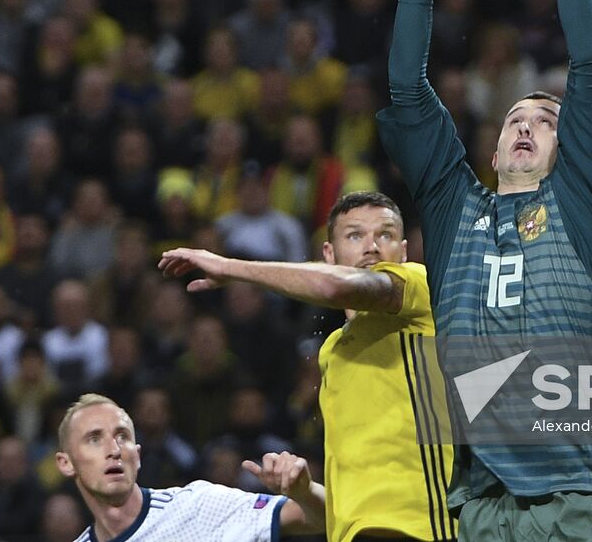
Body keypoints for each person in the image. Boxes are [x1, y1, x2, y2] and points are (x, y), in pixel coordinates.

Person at [378, 0, 592, 540]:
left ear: (571, 147)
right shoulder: (452, 203)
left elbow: (591, 63)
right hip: (483, 495)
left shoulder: (580, 203)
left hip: (577, 490)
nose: (528, 124)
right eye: (516, 119)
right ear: (491, 149)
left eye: (547, 120)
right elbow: (408, 89)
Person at [159, 190, 456, 542]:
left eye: (385, 235)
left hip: (427, 532)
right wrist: (302, 490)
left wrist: (231, 267)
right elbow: (340, 510)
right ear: (329, 254)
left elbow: (334, 288)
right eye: (355, 235)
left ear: (403, 253)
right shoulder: (332, 351)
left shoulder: (420, 287)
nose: (372, 247)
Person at [53, 393, 325, 542]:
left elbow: (326, 518)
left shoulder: (199, 507)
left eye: (122, 436)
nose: (113, 450)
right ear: (66, 463)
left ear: (137, 456)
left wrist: (305, 491)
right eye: (94, 439)